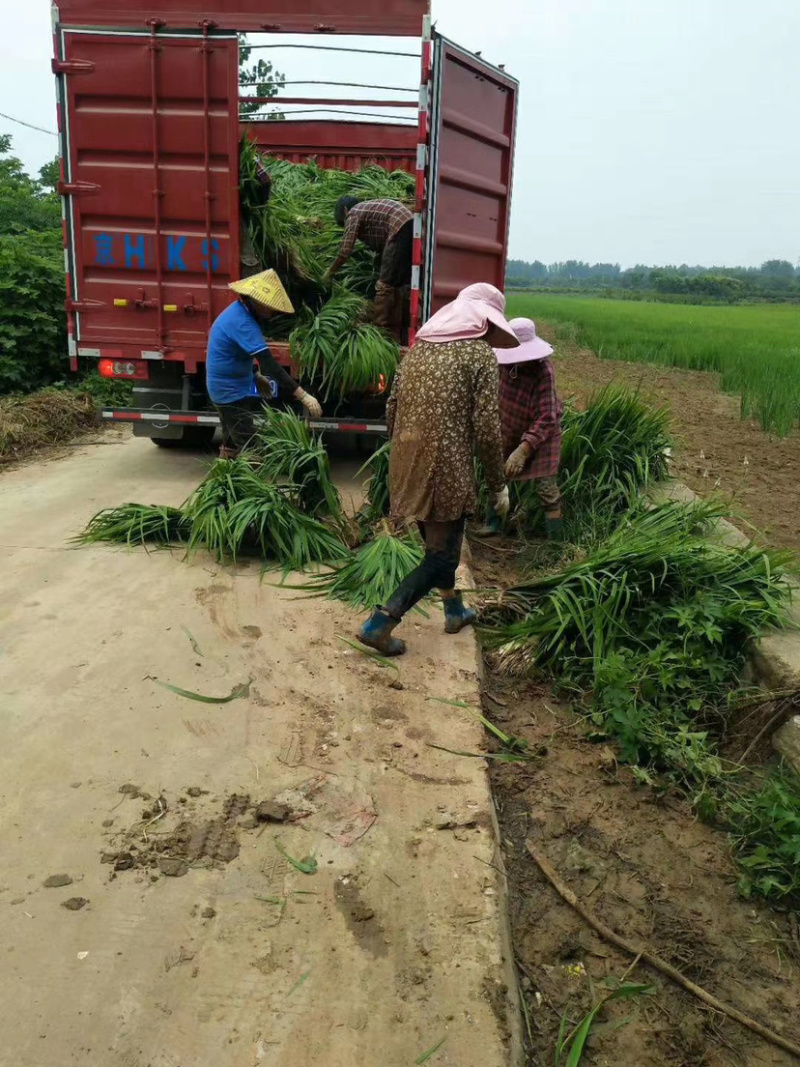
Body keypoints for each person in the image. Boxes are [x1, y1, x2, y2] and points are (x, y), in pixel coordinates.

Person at [357, 283, 519, 656]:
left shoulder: (419, 349)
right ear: (484, 323)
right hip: (447, 469)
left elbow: (392, 408)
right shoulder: (479, 355)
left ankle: (454, 610)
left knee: (440, 547)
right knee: (441, 557)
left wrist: (403, 453)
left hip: (406, 460)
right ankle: (379, 624)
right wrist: (498, 486)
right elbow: (487, 431)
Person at [206, 269, 322, 458]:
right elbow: (270, 364)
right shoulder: (243, 322)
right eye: (268, 305)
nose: (272, 310)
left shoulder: (238, 312)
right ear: (256, 301)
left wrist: (255, 375)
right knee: (253, 449)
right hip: (229, 392)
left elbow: (238, 352)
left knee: (230, 443)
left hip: (226, 388)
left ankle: (224, 479)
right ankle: (253, 485)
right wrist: (303, 396)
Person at [486, 317, 564, 539]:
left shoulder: (543, 371)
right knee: (496, 476)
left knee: (546, 489)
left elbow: (547, 417)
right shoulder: (502, 365)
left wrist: (523, 450)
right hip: (509, 426)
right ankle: (493, 526)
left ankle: (557, 544)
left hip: (542, 435)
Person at [328, 197, 413, 338]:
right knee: (398, 286)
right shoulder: (368, 210)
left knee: (384, 285)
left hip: (399, 227)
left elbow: (345, 251)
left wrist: (330, 272)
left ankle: (379, 331)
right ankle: (396, 332)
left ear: (345, 210)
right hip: (410, 226)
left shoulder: (353, 213)